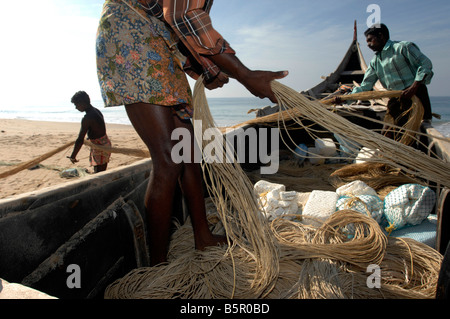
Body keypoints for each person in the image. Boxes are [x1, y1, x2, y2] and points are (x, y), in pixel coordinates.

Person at [96, 0, 288, 266]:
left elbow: (181, 30)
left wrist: (208, 71)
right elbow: (182, 16)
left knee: (188, 151)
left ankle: (203, 236)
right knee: (168, 159)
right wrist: (245, 74)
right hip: (131, 34)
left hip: (159, 41)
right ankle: (158, 265)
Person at [345, 24, 434, 140]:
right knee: (389, 134)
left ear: (381, 36)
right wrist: (346, 97)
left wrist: (414, 87)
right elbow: (366, 86)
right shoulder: (375, 61)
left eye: (370, 40)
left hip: (416, 94)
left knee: (420, 132)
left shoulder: (403, 47)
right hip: (396, 99)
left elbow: (425, 64)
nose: (368, 45)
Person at [68, 91, 112, 173]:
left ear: (82, 103)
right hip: (105, 144)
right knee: (100, 170)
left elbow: (80, 139)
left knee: (99, 173)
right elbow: (97, 128)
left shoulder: (87, 118)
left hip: (100, 148)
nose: (76, 108)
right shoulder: (96, 111)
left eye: (76, 105)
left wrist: (73, 156)